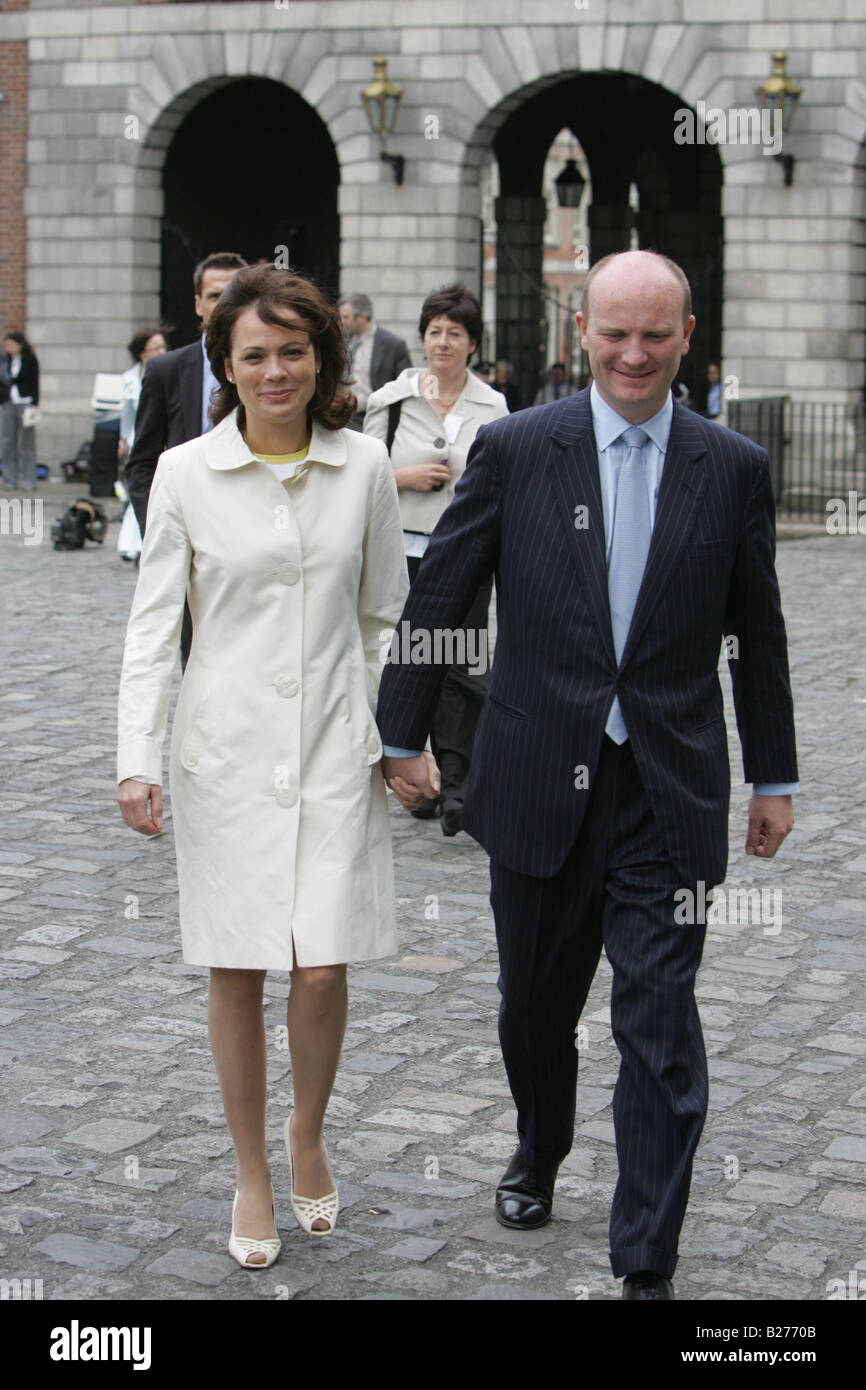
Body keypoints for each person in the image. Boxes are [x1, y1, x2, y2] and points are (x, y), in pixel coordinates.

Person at [375, 250, 797, 1299]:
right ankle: (539, 1144)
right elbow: (443, 599)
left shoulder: (730, 466)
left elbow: (760, 633)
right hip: (530, 781)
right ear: (583, 335)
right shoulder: (518, 448)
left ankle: (642, 1257)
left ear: (685, 337)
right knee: (534, 1007)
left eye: (654, 334)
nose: (633, 353)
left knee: (658, 1029)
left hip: (667, 793)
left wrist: (774, 775)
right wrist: (398, 735)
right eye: (614, 333)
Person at [116, 265, 409, 1269]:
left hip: (335, 744)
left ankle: (306, 1129)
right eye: (255, 354)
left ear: (319, 355)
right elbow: (155, 629)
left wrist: (385, 732)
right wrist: (134, 758)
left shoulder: (362, 465)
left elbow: (383, 615)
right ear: (225, 366)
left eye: (293, 350)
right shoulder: (185, 474)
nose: (275, 369)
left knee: (322, 960)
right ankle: (251, 1166)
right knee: (237, 964)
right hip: (223, 755)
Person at [364, 283, 508, 835]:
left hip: (466, 555)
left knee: (464, 667)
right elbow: (365, 474)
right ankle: (410, 782)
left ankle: (461, 789)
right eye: (434, 332)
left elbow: (502, 480)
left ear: (472, 343)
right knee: (404, 662)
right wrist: (407, 477)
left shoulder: (493, 406)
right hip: (400, 551)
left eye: (454, 333)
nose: (442, 342)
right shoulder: (392, 401)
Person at [126, 251, 246, 663]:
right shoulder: (165, 371)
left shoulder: (267, 370)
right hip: (192, 538)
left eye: (234, 293)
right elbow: (141, 463)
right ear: (198, 304)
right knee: (196, 656)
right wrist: (160, 528)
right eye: (214, 295)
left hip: (255, 532)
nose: (223, 303)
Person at [116, 325, 169, 561]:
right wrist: (124, 439)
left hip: (161, 441)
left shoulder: (169, 371)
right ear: (142, 352)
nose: (161, 351)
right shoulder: (129, 379)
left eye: (162, 346)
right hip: (137, 439)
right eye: (155, 347)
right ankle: (130, 542)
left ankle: (142, 541)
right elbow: (127, 413)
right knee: (135, 491)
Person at [339, 292, 412, 431]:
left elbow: (405, 386)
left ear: (361, 317)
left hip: (376, 420)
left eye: (345, 317)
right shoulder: (343, 342)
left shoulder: (393, 345)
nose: (341, 321)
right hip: (345, 420)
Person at [1, 331, 40, 491]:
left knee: (26, 444)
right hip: (9, 403)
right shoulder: (5, 361)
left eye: (11, 344)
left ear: (20, 345)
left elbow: (35, 383)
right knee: (7, 442)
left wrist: (34, 404)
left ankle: (28, 479)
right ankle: (10, 478)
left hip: (25, 402)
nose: (8, 348)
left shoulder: (29, 360)